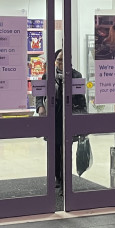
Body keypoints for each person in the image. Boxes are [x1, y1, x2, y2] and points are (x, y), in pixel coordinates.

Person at [35, 49, 87, 189]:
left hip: (69, 115)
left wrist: (83, 120)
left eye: (64, 60)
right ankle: (57, 177)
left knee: (66, 148)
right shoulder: (48, 76)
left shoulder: (76, 75)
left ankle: (65, 177)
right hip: (53, 115)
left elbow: (81, 99)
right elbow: (39, 96)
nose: (61, 63)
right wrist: (40, 107)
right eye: (59, 60)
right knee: (54, 148)